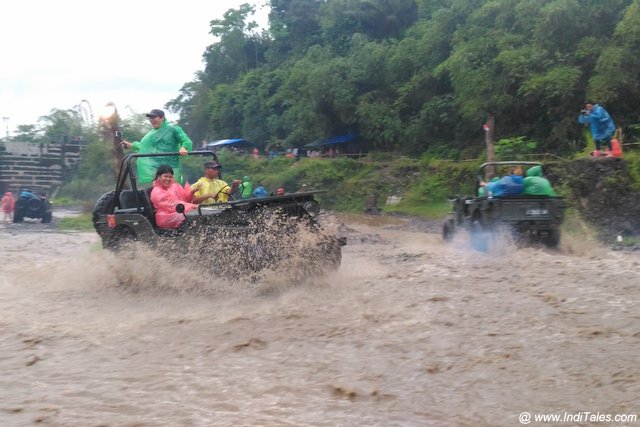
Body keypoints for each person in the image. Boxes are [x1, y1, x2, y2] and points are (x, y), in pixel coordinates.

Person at [121, 109, 193, 184]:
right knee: (159, 190)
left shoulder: (173, 129)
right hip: (158, 170)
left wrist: (184, 147)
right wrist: (131, 145)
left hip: (171, 169)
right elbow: (145, 147)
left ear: (162, 118)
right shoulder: (152, 134)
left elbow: (186, 141)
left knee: (173, 190)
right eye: (150, 118)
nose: (151, 120)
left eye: (154, 117)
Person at [149, 165, 198, 229]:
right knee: (190, 217)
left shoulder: (175, 186)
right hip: (165, 216)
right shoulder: (156, 192)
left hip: (179, 212)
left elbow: (185, 198)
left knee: (197, 215)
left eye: (170, 177)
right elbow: (172, 204)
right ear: (159, 176)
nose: (168, 179)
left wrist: (192, 192)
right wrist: (192, 206)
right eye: (165, 176)